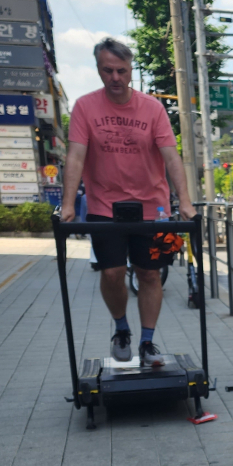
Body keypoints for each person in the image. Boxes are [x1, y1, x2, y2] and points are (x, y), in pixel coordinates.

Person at [61, 37, 195, 366]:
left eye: (122, 71)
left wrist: (186, 202)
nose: (115, 78)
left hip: (152, 207)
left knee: (149, 274)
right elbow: (75, 157)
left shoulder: (152, 108)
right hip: (104, 206)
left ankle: (148, 342)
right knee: (112, 273)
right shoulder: (85, 106)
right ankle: (122, 329)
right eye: (108, 71)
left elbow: (171, 157)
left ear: (131, 70)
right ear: (98, 70)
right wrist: (67, 205)